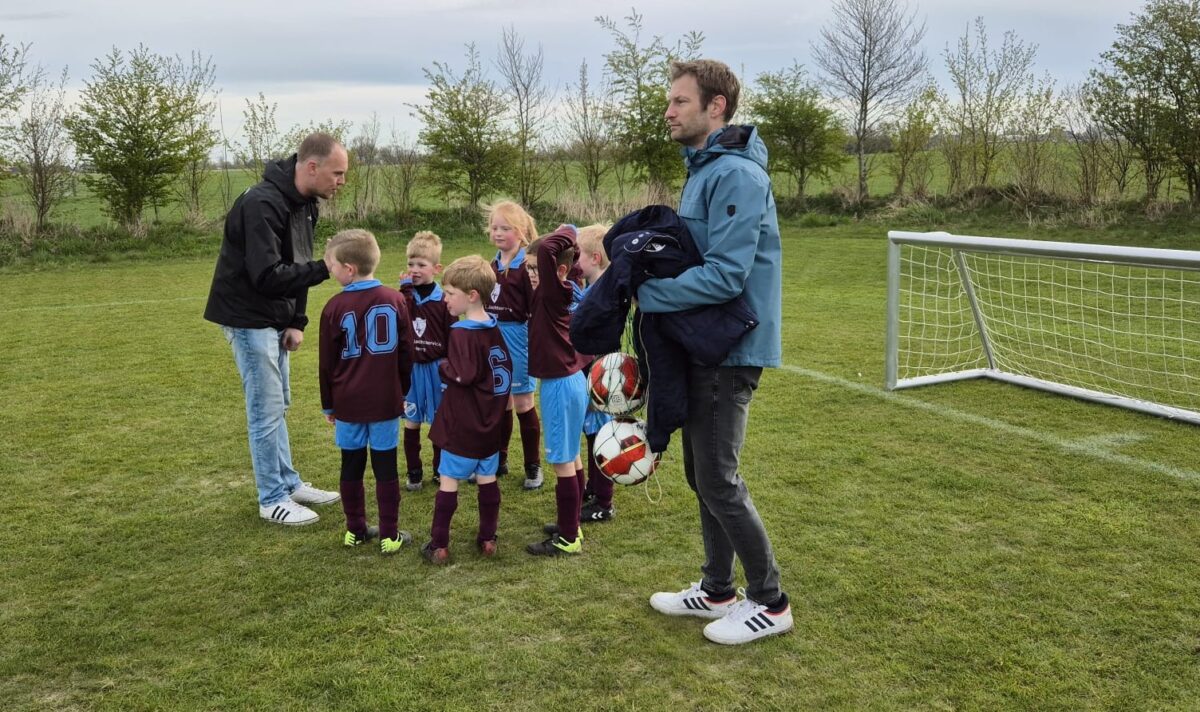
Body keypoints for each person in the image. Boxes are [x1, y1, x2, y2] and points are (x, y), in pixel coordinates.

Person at [638, 60, 793, 644]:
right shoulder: (705, 169)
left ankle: (770, 603)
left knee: (719, 479)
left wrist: (648, 294)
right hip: (704, 342)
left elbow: (728, 274)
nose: (669, 112)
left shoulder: (736, 176)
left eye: (679, 101)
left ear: (716, 106)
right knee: (701, 475)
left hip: (731, 347)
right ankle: (717, 590)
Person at [204, 132, 347, 526]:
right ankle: (271, 498)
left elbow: (296, 265)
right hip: (248, 318)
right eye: (337, 173)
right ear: (312, 167)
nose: (342, 181)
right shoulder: (261, 203)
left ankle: (289, 483)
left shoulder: (306, 204)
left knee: (278, 404)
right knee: (265, 410)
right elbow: (266, 275)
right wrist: (325, 268)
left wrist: (296, 320)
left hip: (274, 317)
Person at [318, 229, 415, 554]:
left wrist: (329, 404)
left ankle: (355, 530)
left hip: (348, 403)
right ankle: (389, 534)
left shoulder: (333, 307)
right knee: (385, 467)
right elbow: (407, 353)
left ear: (349, 268)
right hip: (385, 400)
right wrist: (402, 390)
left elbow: (326, 363)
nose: (331, 271)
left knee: (351, 464)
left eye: (332, 266)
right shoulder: (395, 299)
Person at [421, 256, 512, 564]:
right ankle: (488, 538)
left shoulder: (462, 332)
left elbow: (463, 374)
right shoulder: (494, 326)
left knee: (448, 480)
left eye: (449, 293)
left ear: (471, 295)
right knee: (487, 479)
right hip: (490, 422)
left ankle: (439, 544)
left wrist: (444, 366)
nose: (444, 298)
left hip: (464, 424)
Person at [524, 225, 591, 557]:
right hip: (570, 380)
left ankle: (568, 537)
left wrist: (568, 232)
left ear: (558, 271)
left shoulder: (553, 292)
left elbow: (553, 247)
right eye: (528, 267)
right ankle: (572, 522)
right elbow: (555, 253)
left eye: (536, 268)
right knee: (572, 455)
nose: (531, 273)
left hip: (560, 386)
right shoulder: (557, 290)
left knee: (562, 461)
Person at [484, 201, 544, 490]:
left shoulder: (527, 266)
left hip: (519, 339)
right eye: (494, 227)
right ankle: (499, 459)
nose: (498, 233)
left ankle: (533, 466)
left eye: (505, 228)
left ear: (520, 232)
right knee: (500, 402)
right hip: (493, 338)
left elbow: (537, 307)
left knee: (523, 403)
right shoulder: (491, 265)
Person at [398, 231, 454, 491]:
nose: (414, 269)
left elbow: (453, 336)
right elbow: (402, 324)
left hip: (436, 369)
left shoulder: (444, 300)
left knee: (439, 422)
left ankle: (440, 469)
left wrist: (450, 371)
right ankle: (414, 472)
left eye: (421, 264)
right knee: (411, 422)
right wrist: (405, 294)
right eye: (411, 264)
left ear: (436, 268)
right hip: (412, 371)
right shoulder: (404, 296)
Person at [575, 224, 617, 523]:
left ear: (595, 258)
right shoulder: (595, 289)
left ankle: (604, 502)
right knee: (592, 432)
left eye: (577, 255)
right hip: (596, 371)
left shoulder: (600, 295)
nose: (574, 261)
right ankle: (594, 488)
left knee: (601, 435)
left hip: (600, 375)